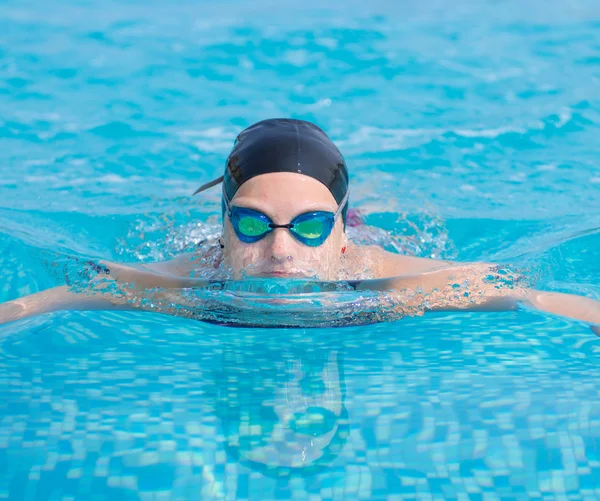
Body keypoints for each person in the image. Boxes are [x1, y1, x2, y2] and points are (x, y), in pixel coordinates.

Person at [0, 118, 599, 334]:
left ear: (339, 230)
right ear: (224, 225)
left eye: (310, 226)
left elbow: (523, 291)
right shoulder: (187, 278)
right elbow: (63, 296)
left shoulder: (384, 278)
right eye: (253, 224)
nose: (282, 249)